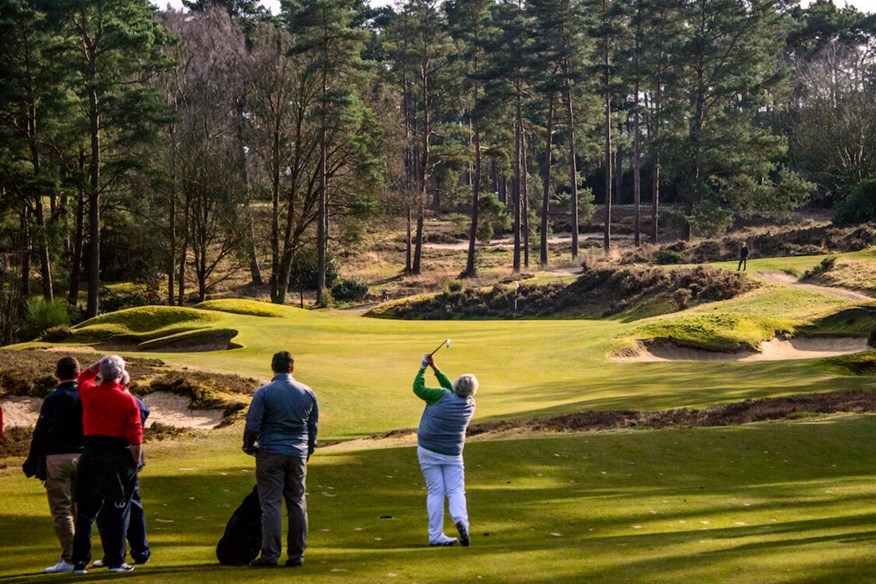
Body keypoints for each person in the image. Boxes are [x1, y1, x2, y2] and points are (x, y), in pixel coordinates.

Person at [243, 351, 319, 568]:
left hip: (270, 451)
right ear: (292, 368)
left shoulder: (264, 392)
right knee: (297, 503)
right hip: (298, 453)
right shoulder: (308, 392)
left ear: (272, 368)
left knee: (271, 504)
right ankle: (296, 556)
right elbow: (312, 428)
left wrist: (249, 446)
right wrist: (308, 451)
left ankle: (270, 555)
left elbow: (252, 425)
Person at [70, 355, 143, 575]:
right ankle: (115, 561)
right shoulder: (127, 399)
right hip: (116, 456)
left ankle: (80, 562)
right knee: (117, 510)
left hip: (91, 454)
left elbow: (83, 376)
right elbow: (135, 436)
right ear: (121, 375)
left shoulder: (89, 392)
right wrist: (135, 460)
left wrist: (100, 364)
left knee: (86, 512)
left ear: (102, 373)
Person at [22, 356, 84, 574]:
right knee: (79, 509)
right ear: (78, 373)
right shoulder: (86, 395)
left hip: (57, 458)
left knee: (62, 511)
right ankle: (81, 558)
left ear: (56, 374)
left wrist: (31, 461)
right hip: (83, 457)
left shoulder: (53, 399)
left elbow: (40, 433)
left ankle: (70, 558)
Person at [413, 353, 477, 547]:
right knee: (456, 490)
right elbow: (453, 389)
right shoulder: (470, 404)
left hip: (428, 450)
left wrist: (423, 367)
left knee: (436, 492)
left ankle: (435, 536)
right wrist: (436, 368)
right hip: (452, 454)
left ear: (456, 387)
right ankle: (461, 521)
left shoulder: (440, 396)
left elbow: (418, 388)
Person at [94, 370, 151, 567]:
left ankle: (126, 554)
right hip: (124, 460)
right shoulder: (131, 401)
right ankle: (128, 552)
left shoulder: (130, 402)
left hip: (124, 460)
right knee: (127, 506)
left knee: (121, 507)